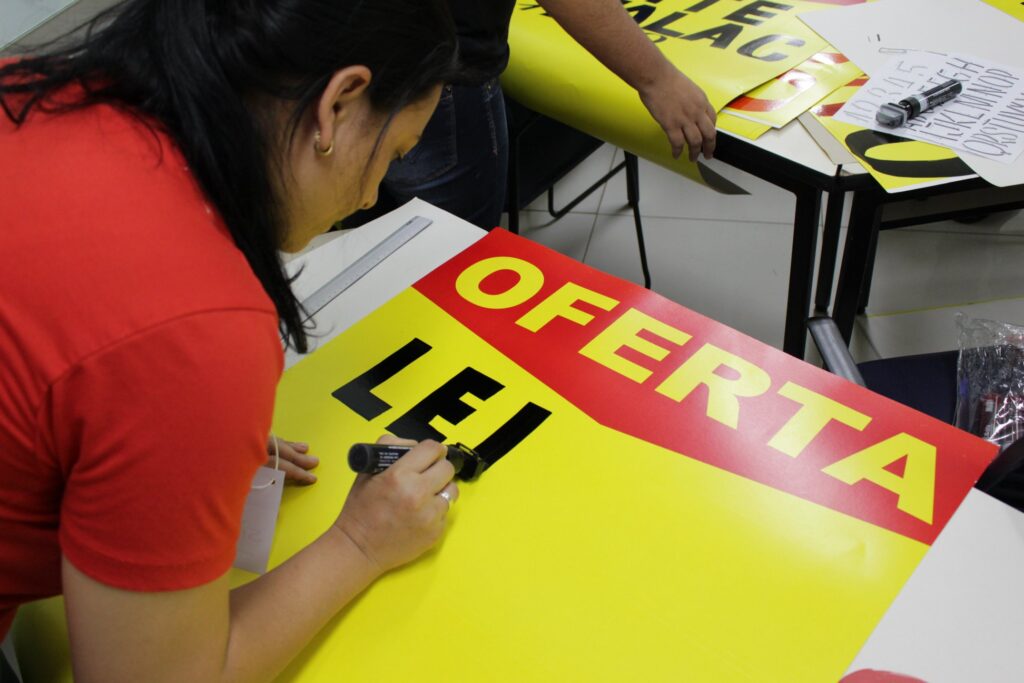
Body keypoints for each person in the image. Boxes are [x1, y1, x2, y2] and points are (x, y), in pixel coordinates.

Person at [0, 1, 464, 681]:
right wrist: (360, 542)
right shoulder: (195, 329)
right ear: (337, 105)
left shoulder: (27, 85)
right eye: (389, 154)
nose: (369, 196)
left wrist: (168, 457)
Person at [364, 0, 719, 229]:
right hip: (431, 80)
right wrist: (659, 79)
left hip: (346, 63)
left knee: (369, 240)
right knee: (450, 258)